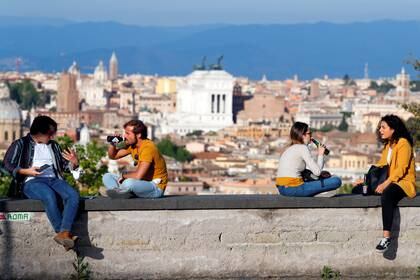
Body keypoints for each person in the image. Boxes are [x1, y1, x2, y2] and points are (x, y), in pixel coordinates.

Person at [3, 115, 80, 250]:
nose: (52, 137)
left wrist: (74, 163)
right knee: (48, 195)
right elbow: (7, 164)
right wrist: (25, 171)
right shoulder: (21, 144)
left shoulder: (54, 146)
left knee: (73, 195)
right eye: (50, 134)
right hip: (31, 181)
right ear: (39, 132)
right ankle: (61, 232)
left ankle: (64, 233)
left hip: (54, 179)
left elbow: (63, 166)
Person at [359, 115, 416, 253]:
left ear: (393, 129)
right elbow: (381, 165)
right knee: (359, 189)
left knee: (387, 194)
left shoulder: (403, 144)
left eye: (383, 127)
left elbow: (401, 169)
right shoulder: (388, 145)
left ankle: (386, 237)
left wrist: (385, 184)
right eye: (380, 127)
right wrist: (366, 179)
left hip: (403, 182)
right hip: (389, 180)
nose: (380, 130)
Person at [102, 120, 168, 199]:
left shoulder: (148, 148)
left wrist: (124, 176)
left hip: (155, 187)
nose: (124, 136)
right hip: (141, 183)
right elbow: (113, 156)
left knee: (128, 183)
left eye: (128, 133)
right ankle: (119, 192)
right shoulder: (132, 145)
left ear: (138, 135)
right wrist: (113, 144)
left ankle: (122, 191)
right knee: (107, 176)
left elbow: (138, 176)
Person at [276, 122, 342, 197]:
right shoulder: (303, 148)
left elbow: (310, 173)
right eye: (309, 133)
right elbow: (317, 172)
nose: (311, 136)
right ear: (302, 135)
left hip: (282, 189)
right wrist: (320, 154)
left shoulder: (290, 149)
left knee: (320, 174)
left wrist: (320, 176)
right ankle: (319, 193)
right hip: (293, 188)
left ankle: (316, 191)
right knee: (336, 180)